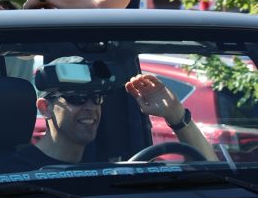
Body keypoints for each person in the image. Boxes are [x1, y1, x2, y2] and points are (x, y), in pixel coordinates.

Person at [29, 58, 214, 165]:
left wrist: (176, 115)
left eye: (97, 97)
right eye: (76, 98)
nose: (91, 107)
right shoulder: (16, 174)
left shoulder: (114, 170)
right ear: (45, 108)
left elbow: (212, 174)